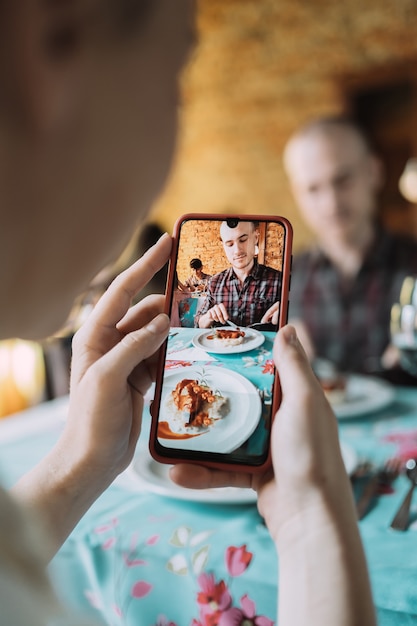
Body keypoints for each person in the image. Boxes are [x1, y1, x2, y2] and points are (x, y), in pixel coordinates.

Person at [0, 2, 375, 626]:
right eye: (177, 72)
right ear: (51, 39)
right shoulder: (229, 283)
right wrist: (312, 520)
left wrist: (79, 460)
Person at [283, 115, 417, 379]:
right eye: (313, 188)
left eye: (342, 180)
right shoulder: (284, 279)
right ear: (297, 194)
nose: (331, 202)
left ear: (374, 172)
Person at [196, 220, 282, 328]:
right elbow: (199, 323)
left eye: (243, 240)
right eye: (229, 244)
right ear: (223, 246)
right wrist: (208, 316)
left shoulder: (279, 280)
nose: (237, 251)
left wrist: (288, 312)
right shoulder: (215, 282)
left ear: (255, 237)